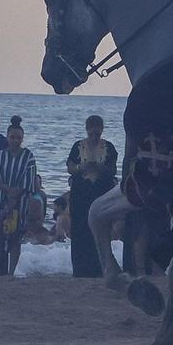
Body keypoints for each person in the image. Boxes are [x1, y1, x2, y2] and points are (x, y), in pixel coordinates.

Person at [0, 114, 38, 276]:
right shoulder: (0, 155)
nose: (15, 140)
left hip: (20, 203)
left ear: (22, 138)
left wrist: (13, 197)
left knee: (15, 238)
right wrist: (7, 189)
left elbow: (29, 181)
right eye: (12, 137)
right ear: (7, 137)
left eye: (19, 137)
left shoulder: (28, 156)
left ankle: (11, 273)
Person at [65, 114, 119, 278]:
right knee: (80, 232)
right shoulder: (78, 146)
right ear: (87, 131)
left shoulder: (108, 147)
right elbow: (70, 167)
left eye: (97, 134)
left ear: (101, 131)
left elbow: (113, 171)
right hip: (81, 197)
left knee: (101, 231)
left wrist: (100, 168)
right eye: (92, 134)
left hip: (101, 195)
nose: (94, 137)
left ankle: (100, 269)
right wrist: (82, 167)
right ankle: (80, 270)